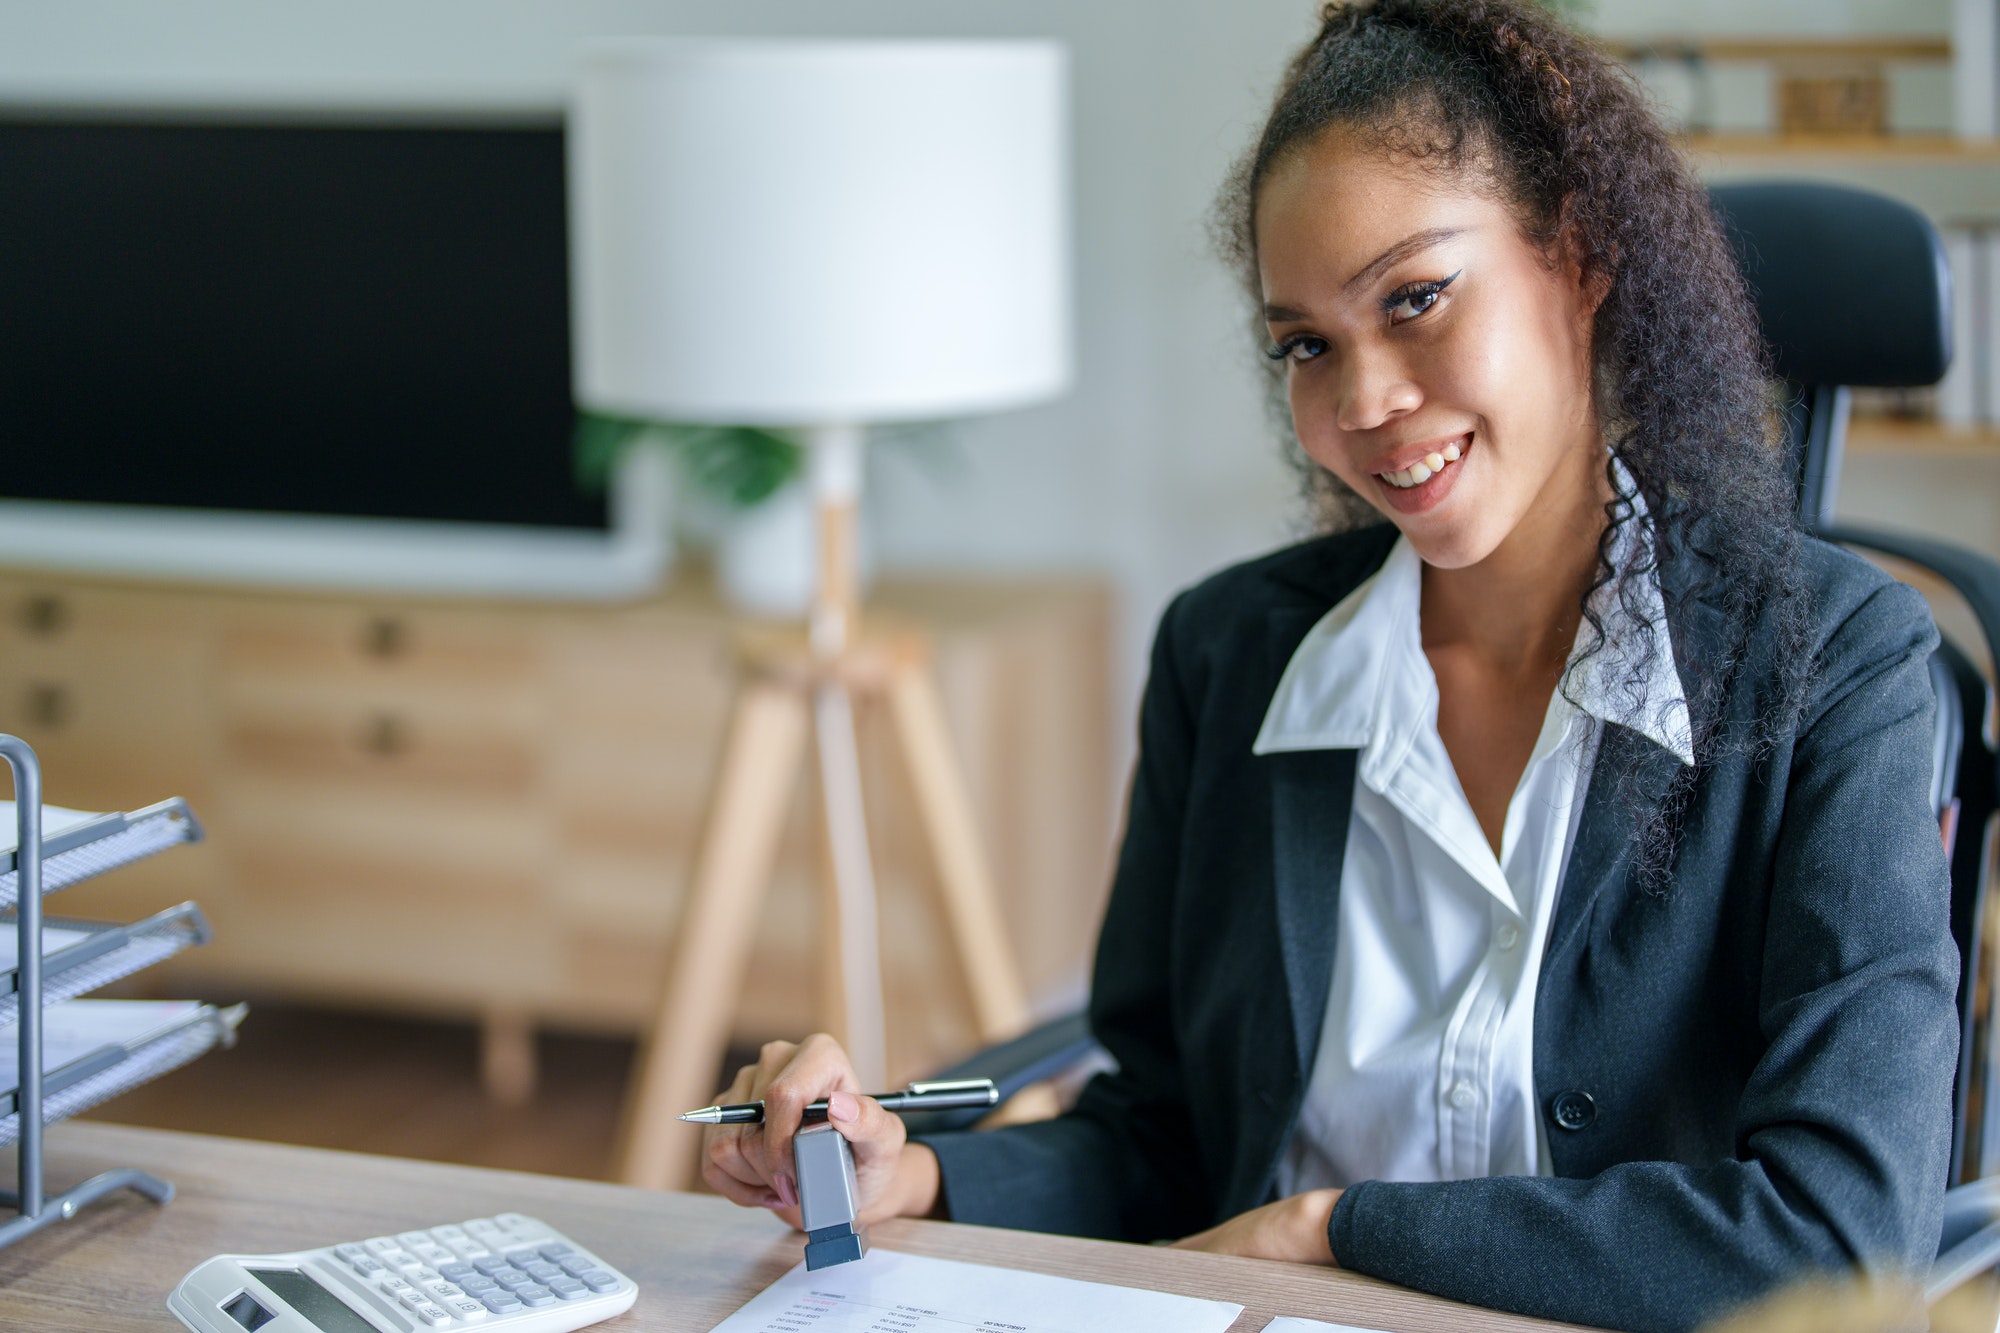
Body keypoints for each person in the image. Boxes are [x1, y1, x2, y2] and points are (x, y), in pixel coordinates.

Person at [699, 2, 1960, 1329]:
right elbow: (1167, 1141)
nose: (1360, 403)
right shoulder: (1229, 658)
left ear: (1579, 261)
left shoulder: (1835, 665)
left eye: (1415, 300)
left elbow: (1838, 1229)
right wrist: (924, 1174)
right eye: (1306, 343)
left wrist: (1335, 1229)